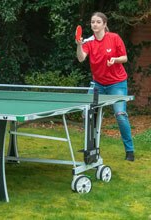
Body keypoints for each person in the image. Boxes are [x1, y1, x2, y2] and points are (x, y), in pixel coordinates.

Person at [76, 12, 135, 161]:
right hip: (98, 84)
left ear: (104, 24)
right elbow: (81, 58)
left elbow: (125, 58)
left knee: (120, 116)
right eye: (92, 22)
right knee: (87, 114)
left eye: (97, 22)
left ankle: (129, 151)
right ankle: (91, 149)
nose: (94, 24)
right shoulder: (89, 41)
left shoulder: (114, 38)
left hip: (117, 83)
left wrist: (115, 59)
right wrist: (79, 45)